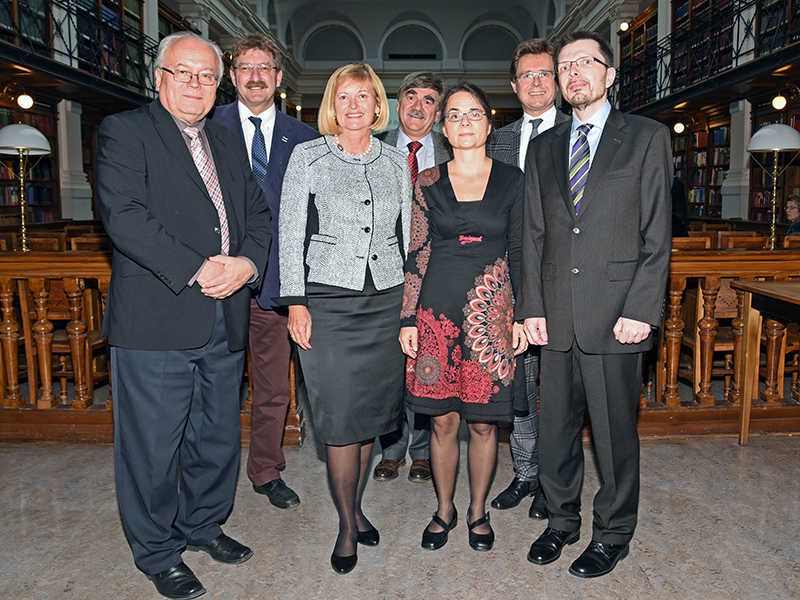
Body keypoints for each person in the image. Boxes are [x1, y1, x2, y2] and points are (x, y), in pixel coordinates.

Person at [95, 31, 271, 600]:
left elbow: (258, 215)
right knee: (152, 446)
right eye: (184, 72)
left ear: (218, 85)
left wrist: (246, 264)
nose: (196, 83)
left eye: (206, 75)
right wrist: (199, 269)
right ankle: (157, 551)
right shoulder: (125, 131)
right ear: (159, 78)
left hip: (225, 314)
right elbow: (124, 217)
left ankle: (203, 525)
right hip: (158, 317)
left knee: (216, 436)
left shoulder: (226, 142)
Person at [518, 31, 671, 578]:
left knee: (613, 434)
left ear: (609, 74)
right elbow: (533, 234)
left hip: (617, 314)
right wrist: (531, 307)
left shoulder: (647, 137)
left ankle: (613, 533)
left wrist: (642, 309)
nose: (573, 72)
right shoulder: (544, 147)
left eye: (586, 62)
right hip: (556, 312)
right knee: (556, 431)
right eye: (565, 66)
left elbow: (657, 233)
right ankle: (561, 521)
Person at [277, 62, 411, 575]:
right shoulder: (308, 156)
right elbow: (290, 232)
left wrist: (411, 306)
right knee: (337, 419)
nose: (354, 106)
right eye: (343, 97)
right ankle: (347, 526)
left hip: (386, 302)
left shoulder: (395, 160)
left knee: (368, 417)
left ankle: (356, 510)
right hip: (327, 302)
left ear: (379, 105)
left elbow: (408, 234)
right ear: (331, 105)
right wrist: (296, 301)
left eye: (363, 96)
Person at [400, 81, 528, 554]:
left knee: (483, 423)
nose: (464, 122)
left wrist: (522, 315)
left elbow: (521, 250)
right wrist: (407, 318)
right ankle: (444, 509)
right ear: (444, 127)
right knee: (443, 422)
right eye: (454, 114)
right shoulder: (427, 181)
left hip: (491, 315)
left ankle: (477, 510)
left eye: (473, 113)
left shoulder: (514, 180)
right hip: (436, 312)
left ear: (489, 124)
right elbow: (417, 250)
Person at [211, 33, 317, 510]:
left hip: (277, 281)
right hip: (217, 279)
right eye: (245, 68)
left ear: (278, 77)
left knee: (273, 385)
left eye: (264, 68)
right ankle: (208, 470)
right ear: (232, 77)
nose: (255, 76)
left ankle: (266, 469)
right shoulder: (206, 126)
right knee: (214, 383)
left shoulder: (305, 137)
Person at [487, 38, 570, 521]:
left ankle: (553, 480)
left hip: (561, 279)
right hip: (506, 279)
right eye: (527, 75)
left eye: (544, 73)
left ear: (556, 80)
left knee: (556, 386)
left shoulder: (580, 133)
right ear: (514, 84)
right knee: (519, 381)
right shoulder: (496, 141)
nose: (535, 82)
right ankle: (524, 471)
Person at [373, 72, 451, 484]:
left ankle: (422, 451)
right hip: (382, 274)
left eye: (429, 100)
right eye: (411, 96)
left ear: (438, 112)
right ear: (398, 103)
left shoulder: (454, 149)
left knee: (427, 359)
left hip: (435, 271)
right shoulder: (372, 146)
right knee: (389, 365)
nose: (418, 106)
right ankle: (392, 449)